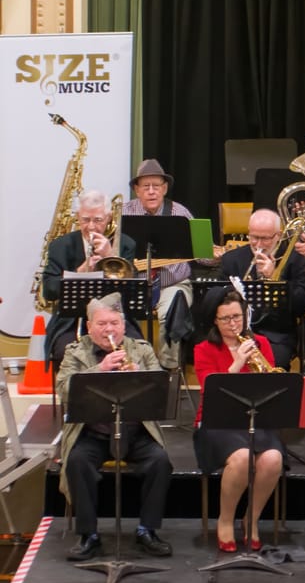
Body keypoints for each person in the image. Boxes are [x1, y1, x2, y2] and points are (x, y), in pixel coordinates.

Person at [56, 293, 173, 562]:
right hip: (93, 432)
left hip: (136, 431)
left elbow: (160, 391)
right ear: (89, 327)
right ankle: (89, 536)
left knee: (160, 462)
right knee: (76, 462)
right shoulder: (76, 352)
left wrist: (139, 378)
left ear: (123, 325)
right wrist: (99, 369)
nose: (109, 330)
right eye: (102, 324)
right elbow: (63, 390)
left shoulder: (141, 350)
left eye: (114, 323)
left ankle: (148, 530)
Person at [193, 288, 285, 552]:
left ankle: (251, 520)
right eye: (226, 319)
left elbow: (272, 388)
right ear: (214, 320)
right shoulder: (203, 349)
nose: (233, 324)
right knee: (243, 457)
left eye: (238, 317)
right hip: (216, 421)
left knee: (272, 459)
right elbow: (209, 391)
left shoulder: (262, 344)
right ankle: (225, 519)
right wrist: (236, 364)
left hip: (255, 419)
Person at [41, 190, 139, 365]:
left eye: (98, 220)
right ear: (78, 217)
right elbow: (49, 290)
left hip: (114, 320)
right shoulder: (60, 246)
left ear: (109, 218)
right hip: (71, 322)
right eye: (86, 220)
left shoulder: (126, 244)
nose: (91, 226)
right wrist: (79, 273)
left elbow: (133, 290)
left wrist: (112, 255)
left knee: (138, 350)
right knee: (65, 352)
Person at [122, 158, 194, 370]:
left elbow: (203, 254)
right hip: (133, 285)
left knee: (171, 314)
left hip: (172, 284)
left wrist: (217, 254)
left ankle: (167, 368)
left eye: (156, 186)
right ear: (137, 190)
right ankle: (132, 368)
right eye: (146, 186)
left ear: (164, 188)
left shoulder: (181, 213)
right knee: (114, 314)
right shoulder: (124, 213)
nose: (152, 191)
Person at [217, 208, 305, 370]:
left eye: (265, 238)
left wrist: (274, 277)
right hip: (234, 332)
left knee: (275, 361)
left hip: (276, 334)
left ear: (278, 235)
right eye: (254, 237)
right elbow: (218, 298)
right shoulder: (231, 259)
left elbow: (302, 305)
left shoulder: (295, 259)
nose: (258, 244)